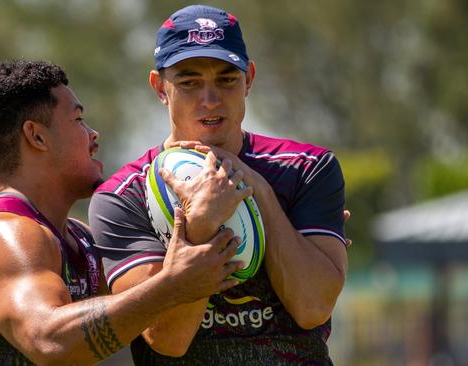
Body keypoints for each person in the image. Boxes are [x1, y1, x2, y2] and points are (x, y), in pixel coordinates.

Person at [0, 60, 248, 365]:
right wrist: (171, 285)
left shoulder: (80, 239)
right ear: (38, 137)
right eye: (78, 120)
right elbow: (49, 341)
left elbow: (154, 324)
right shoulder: (3, 236)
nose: (93, 135)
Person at [88, 5, 348, 365]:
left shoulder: (306, 169)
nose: (210, 100)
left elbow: (312, 306)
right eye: (189, 82)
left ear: (250, 79)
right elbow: (166, 339)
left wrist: (258, 189)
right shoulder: (122, 196)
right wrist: (199, 226)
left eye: (227, 79)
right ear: (160, 87)